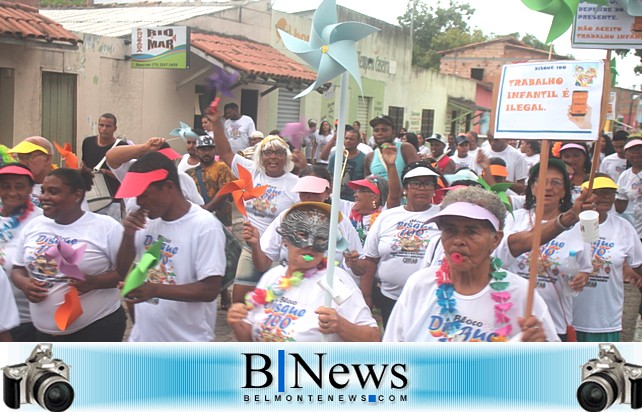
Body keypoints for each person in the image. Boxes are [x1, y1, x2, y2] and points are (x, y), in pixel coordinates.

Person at [383, 186, 558, 342]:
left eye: (471, 232)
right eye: (450, 230)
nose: (458, 241)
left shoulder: (521, 294)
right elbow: (391, 354)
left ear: (495, 240)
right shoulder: (420, 284)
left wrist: (538, 353)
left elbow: (554, 368)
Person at [226, 202, 380, 342]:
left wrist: (341, 325)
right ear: (284, 239)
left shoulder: (332, 281)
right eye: (302, 235)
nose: (310, 245)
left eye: (320, 237)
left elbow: (372, 338)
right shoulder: (273, 277)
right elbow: (250, 343)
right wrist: (238, 322)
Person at [115, 152, 225, 342]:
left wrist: (155, 290)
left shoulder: (204, 226)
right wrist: (128, 235)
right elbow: (123, 272)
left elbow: (210, 290)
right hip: (142, 341)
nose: (139, 202)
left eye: (144, 195)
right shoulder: (145, 221)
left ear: (168, 187)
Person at [12, 168, 126, 341]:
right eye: (43, 191)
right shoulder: (34, 225)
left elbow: (127, 272)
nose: (44, 197)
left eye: (53, 192)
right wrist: (25, 284)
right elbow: (17, 268)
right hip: (44, 334)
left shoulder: (106, 227)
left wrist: (96, 282)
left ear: (77, 195)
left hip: (97, 329)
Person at [495, 159, 591, 341]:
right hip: (512, 319)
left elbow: (585, 269)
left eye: (556, 183)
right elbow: (502, 256)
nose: (548, 188)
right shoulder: (514, 219)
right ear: (532, 187)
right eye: (541, 181)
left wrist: (581, 278)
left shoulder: (578, 228)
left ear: (565, 190)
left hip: (554, 322)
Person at [209, 109, 300, 303]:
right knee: (240, 304)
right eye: (268, 153)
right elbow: (225, 152)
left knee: (273, 304)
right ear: (260, 156)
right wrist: (217, 123)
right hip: (250, 249)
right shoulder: (250, 172)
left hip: (278, 254)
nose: (273, 157)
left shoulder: (295, 184)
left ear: (286, 158)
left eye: (278, 153)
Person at [358, 162, 442, 325]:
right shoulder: (387, 216)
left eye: (428, 184)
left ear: (433, 189)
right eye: (416, 183)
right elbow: (370, 260)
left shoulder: (443, 215)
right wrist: (366, 297)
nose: (422, 188)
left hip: (429, 299)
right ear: (405, 189)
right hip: (389, 299)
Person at [573, 175, 642, 342]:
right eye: (600, 192)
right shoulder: (570, 225)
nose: (606, 197)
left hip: (606, 318)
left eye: (610, 193)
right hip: (570, 317)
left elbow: (638, 265)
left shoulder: (623, 227)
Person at [105, 137, 205, 216]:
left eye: (170, 159)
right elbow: (111, 157)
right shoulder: (135, 171)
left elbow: (200, 208)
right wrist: (144, 147)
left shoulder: (181, 177)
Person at [0, 164, 43, 341]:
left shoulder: (42, 220)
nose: (11, 192)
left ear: (30, 189)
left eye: (19, 187)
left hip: (28, 319)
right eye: (5, 186)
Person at [80, 113, 129, 220]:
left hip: (113, 201)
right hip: (90, 198)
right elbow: (83, 164)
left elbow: (126, 177)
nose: (104, 129)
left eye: (108, 126)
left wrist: (105, 173)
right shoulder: (88, 142)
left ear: (115, 128)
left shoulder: (122, 147)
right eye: (101, 125)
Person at [186, 135, 236, 226]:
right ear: (196, 151)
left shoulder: (222, 167)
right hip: (198, 218)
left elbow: (225, 190)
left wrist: (207, 209)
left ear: (215, 150)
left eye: (209, 149)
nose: (206, 152)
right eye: (202, 149)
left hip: (221, 218)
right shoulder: (190, 173)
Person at [365, 116, 419, 183]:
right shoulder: (370, 157)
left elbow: (417, 176)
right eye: (376, 130)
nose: (379, 133)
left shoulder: (405, 148)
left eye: (384, 130)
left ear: (393, 132)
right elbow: (367, 183)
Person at [8, 137, 55, 206]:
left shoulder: (61, 187)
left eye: (29, 157)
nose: (23, 162)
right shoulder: (11, 187)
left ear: (47, 159)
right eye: (20, 157)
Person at [326, 129, 366, 201]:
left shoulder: (364, 158)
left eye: (351, 139)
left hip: (354, 198)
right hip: (336, 197)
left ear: (358, 142)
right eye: (346, 138)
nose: (348, 141)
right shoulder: (336, 157)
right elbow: (329, 176)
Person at [616, 137, 642, 237]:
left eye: (640, 149)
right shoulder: (624, 176)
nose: (637, 153)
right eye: (632, 150)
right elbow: (620, 208)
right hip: (635, 230)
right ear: (626, 155)